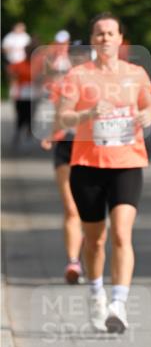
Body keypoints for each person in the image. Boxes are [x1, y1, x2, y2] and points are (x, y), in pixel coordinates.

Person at [56, 13, 151, 332]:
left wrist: (146, 116)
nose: (105, 39)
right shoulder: (78, 75)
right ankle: (96, 292)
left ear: (120, 38)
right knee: (95, 240)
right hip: (87, 165)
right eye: (99, 34)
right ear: (92, 39)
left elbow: (150, 105)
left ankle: (118, 303)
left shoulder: (136, 73)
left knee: (122, 234)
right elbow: (63, 118)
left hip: (127, 162)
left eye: (110, 33)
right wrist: (87, 112)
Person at [37, 32, 85, 284]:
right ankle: (73, 261)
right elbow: (57, 111)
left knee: (89, 210)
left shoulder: (100, 81)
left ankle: (89, 253)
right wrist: (51, 134)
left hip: (93, 150)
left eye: (83, 55)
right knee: (70, 207)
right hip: (66, 146)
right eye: (75, 55)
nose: (78, 59)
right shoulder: (62, 82)